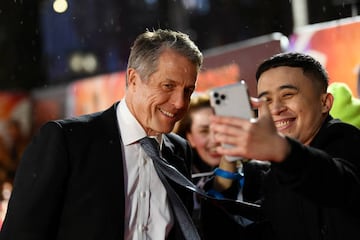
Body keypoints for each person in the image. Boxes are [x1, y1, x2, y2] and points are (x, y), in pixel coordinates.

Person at [0, 29, 203, 239]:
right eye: (168, 86)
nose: (180, 103)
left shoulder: (179, 151)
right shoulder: (67, 141)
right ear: (133, 78)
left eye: (188, 91)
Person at [205, 52, 360, 240]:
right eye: (266, 99)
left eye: (287, 95)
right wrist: (229, 157)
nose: (276, 108)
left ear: (325, 103)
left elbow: (337, 185)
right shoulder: (275, 177)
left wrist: (281, 149)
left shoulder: (347, 140)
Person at [173, 93, 221, 233]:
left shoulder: (253, 171)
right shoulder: (178, 179)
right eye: (204, 131)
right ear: (190, 137)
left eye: (219, 128)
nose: (215, 139)